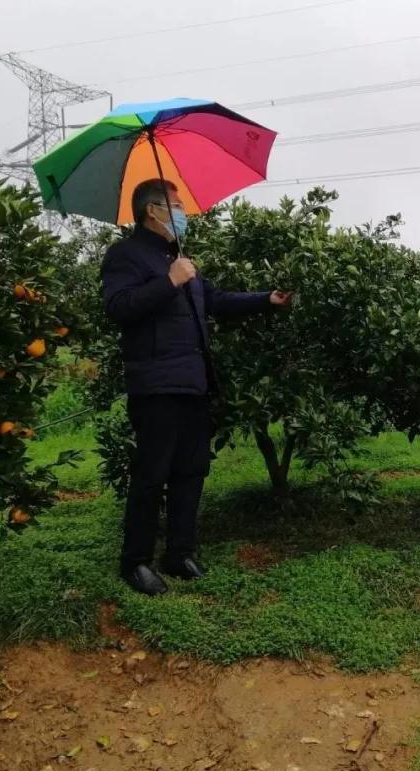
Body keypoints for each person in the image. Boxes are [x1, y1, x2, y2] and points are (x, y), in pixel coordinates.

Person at [101, 178, 292, 596]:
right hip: (155, 385)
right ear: (153, 211)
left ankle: (180, 552)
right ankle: (135, 562)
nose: (184, 212)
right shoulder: (126, 256)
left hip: (193, 382)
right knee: (151, 475)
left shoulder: (180, 258)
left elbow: (216, 301)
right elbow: (119, 308)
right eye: (177, 205)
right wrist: (168, 281)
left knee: (191, 470)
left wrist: (266, 299)